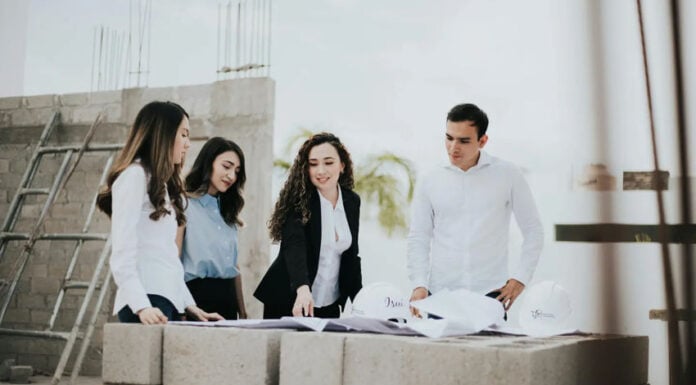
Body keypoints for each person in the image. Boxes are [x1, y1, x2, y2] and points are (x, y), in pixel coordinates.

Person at [407, 103, 543, 316]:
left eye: (463, 141)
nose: (453, 148)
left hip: (490, 294)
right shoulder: (429, 179)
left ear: (483, 141)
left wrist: (520, 279)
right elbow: (419, 236)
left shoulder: (508, 174)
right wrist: (419, 284)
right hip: (441, 296)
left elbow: (533, 230)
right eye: (449, 138)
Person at [96, 101, 223, 325]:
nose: (187, 144)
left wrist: (189, 304)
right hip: (146, 301)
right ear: (163, 134)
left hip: (166, 299)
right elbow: (122, 252)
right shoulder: (134, 176)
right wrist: (141, 305)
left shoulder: (162, 186)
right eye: (183, 134)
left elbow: (166, 256)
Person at [254, 132, 362, 319]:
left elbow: (352, 257)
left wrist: (363, 302)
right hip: (290, 298)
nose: (320, 171)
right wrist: (302, 290)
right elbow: (294, 247)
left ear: (342, 165)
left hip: (329, 303)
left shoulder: (352, 201)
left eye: (328, 162)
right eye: (313, 164)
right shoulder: (299, 201)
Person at [176, 137, 248, 320]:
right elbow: (174, 259)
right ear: (209, 163)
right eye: (226, 166)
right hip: (195, 299)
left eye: (237, 171)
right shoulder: (184, 204)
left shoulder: (229, 214)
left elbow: (233, 267)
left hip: (228, 302)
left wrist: (243, 311)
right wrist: (181, 307)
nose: (231, 176)